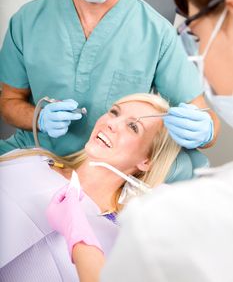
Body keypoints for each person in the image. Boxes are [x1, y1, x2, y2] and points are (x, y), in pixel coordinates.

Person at [46, 0, 233, 281]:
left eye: (194, 28)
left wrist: (79, 236)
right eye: (115, 112)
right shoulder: (23, 168)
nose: (193, 47)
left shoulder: (155, 225)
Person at [0, 0, 219, 156]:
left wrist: (206, 130)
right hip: (35, 152)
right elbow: (9, 101)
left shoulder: (156, 33)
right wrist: (39, 118)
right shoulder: (27, 21)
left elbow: (203, 114)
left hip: (110, 165)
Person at [0, 92, 182, 282]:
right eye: (114, 112)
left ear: (147, 161)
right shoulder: (30, 160)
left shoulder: (121, 241)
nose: (111, 123)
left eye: (133, 127)